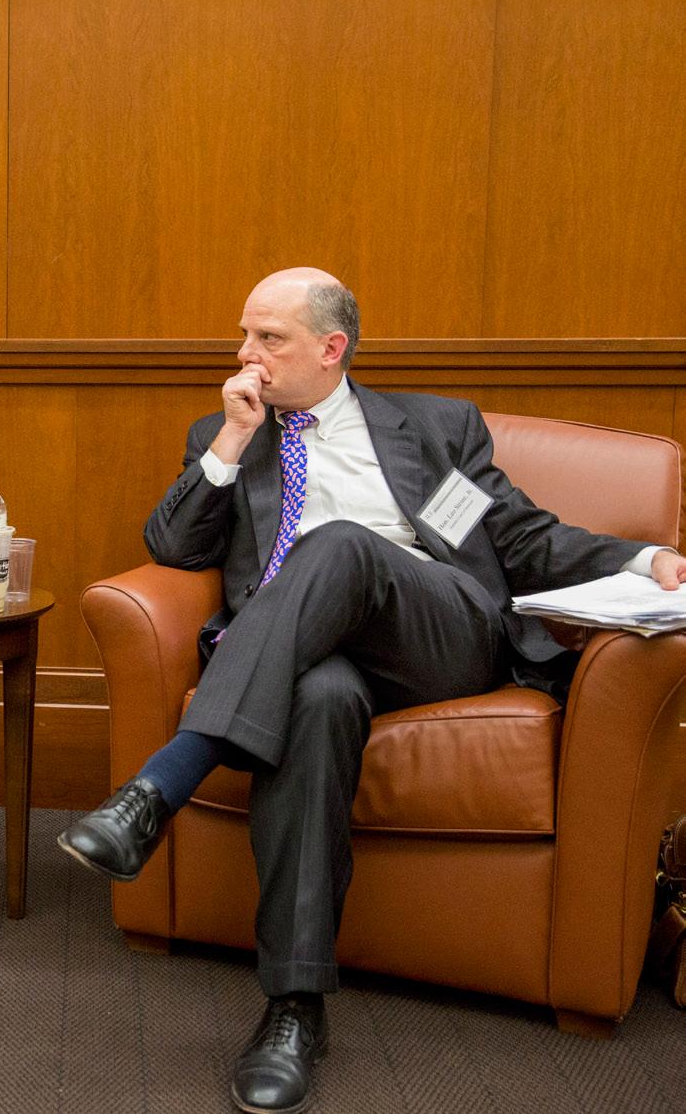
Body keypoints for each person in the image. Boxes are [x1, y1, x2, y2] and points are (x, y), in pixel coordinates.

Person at [57, 267, 686, 1114]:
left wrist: (645, 557)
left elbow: (517, 536)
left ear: (331, 347)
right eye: (244, 335)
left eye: (269, 338)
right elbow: (173, 548)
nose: (245, 355)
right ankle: (293, 1009)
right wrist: (232, 440)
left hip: (437, 631)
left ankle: (162, 783)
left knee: (342, 543)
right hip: (309, 653)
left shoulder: (429, 429)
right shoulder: (228, 433)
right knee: (316, 700)